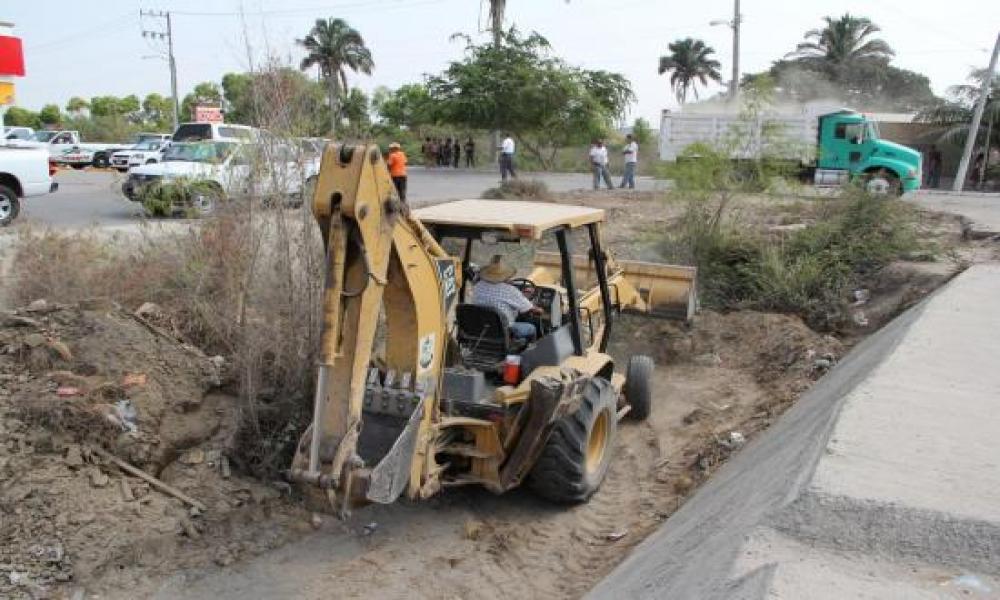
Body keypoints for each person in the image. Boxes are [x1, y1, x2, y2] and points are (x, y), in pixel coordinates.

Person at [472, 255, 542, 340]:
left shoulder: (478, 286)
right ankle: (532, 348)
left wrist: (518, 293)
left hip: (482, 328)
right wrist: (540, 310)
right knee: (532, 327)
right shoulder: (509, 290)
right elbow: (531, 309)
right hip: (504, 330)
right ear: (505, 275)